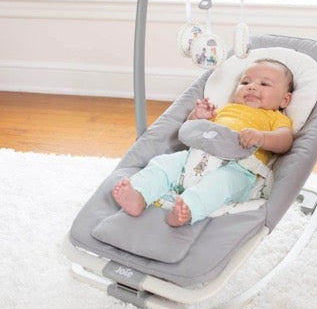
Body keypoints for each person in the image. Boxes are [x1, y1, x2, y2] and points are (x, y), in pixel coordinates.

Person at [112, 59, 294, 226]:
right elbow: (192, 131)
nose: (252, 87)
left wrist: (262, 137)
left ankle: (188, 208)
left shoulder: (275, 118)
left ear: (285, 100)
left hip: (239, 167)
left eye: (264, 84)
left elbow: (285, 141)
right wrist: (198, 116)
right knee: (164, 164)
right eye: (245, 82)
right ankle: (140, 194)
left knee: (220, 184)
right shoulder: (226, 109)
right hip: (196, 157)